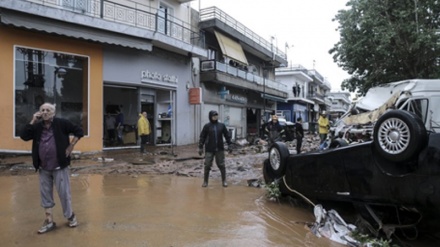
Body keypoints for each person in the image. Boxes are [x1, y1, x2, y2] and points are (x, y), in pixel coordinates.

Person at [19, 102, 84, 234]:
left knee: (64, 193)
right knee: (45, 195)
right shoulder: (37, 127)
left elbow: (79, 131)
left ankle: (70, 216)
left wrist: (71, 145)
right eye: (42, 110)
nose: (45, 112)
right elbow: (24, 136)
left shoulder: (61, 123)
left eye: (48, 110)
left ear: (53, 112)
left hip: (60, 166)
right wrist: (32, 120)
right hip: (43, 168)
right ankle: (49, 221)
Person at [198, 110, 232, 188]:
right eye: (213, 116)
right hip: (209, 149)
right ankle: (205, 181)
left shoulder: (221, 126)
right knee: (207, 165)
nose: (215, 117)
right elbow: (202, 137)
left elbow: (227, 135)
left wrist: (230, 144)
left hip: (220, 148)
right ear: (210, 117)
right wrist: (200, 147)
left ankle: (224, 181)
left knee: (221, 165)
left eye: (216, 116)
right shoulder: (207, 126)